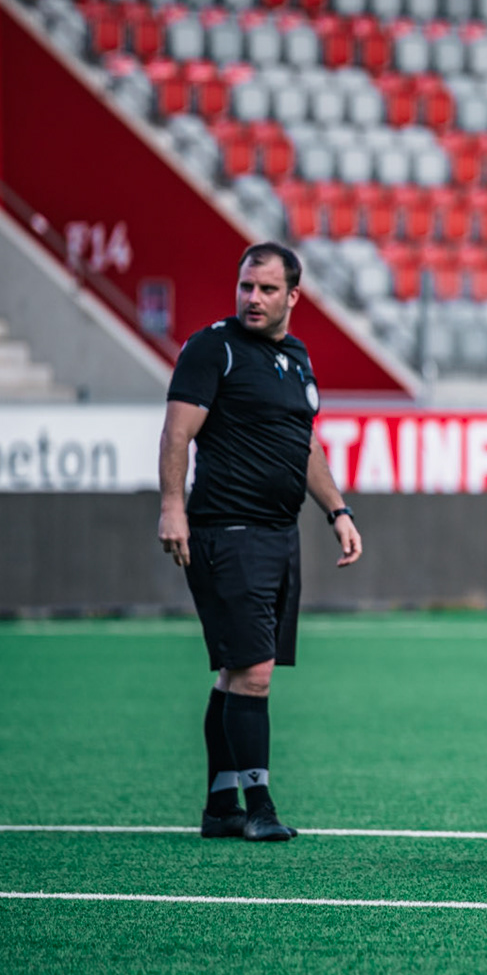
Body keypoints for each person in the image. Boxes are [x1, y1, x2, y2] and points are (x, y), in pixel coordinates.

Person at [158, 242, 363, 844]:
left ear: (293, 296)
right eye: (247, 286)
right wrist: (172, 507)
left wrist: (337, 511)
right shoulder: (211, 348)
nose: (253, 298)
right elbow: (177, 431)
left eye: (268, 289)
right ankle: (260, 805)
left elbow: (305, 445)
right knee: (254, 673)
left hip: (279, 534)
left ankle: (220, 806)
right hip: (225, 530)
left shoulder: (296, 358)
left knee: (233, 674)